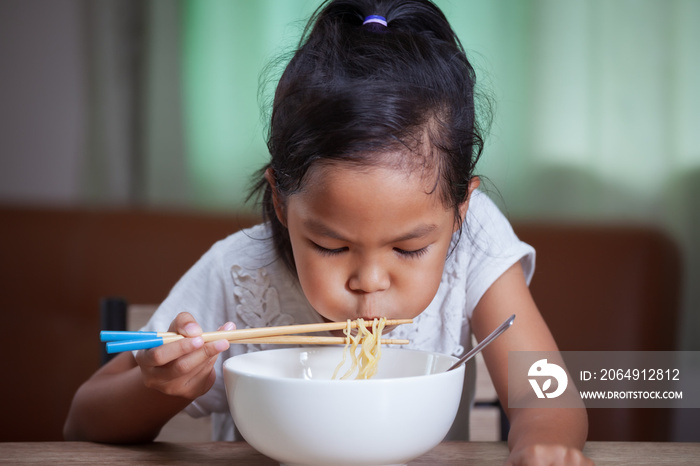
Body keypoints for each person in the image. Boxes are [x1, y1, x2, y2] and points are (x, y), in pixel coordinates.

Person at [64, 0, 592, 463]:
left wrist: (543, 440)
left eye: (409, 249)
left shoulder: (473, 240)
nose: (369, 281)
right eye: (331, 245)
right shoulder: (239, 271)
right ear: (280, 200)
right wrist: (162, 387)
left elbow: (545, 389)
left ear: (460, 210)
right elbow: (83, 422)